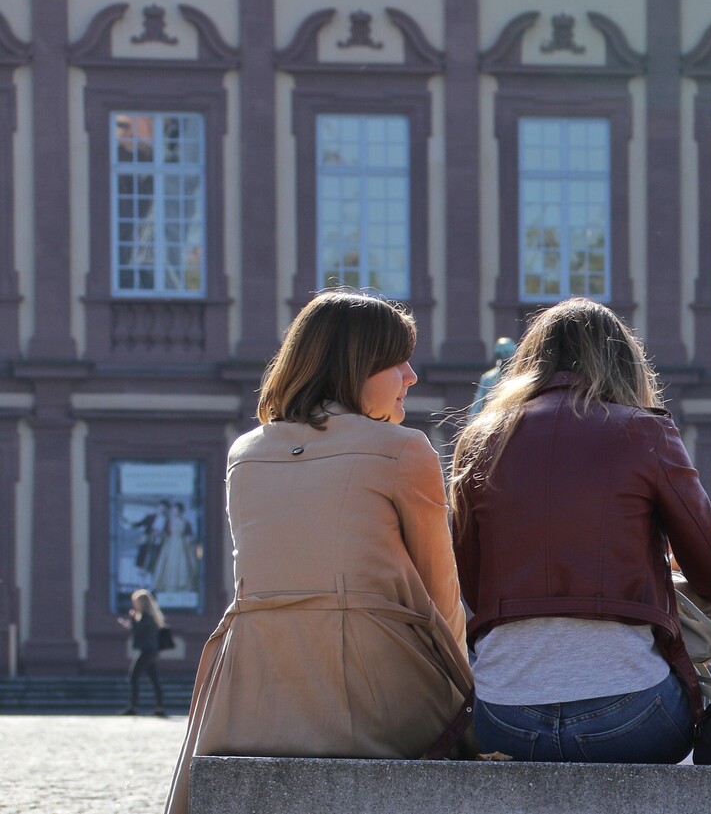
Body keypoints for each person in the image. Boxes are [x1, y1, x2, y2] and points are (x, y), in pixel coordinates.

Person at [166, 290, 472, 814]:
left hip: (253, 693)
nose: (411, 376)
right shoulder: (404, 449)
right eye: (397, 360)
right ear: (357, 365)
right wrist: (466, 696)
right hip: (378, 688)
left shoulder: (247, 451)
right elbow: (441, 596)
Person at [450, 298, 711, 764]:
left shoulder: (482, 439)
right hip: (631, 712)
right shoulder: (644, 432)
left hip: (504, 715)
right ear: (624, 364)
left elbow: (470, 584)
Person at [117, 589, 166, 717]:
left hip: (147, 651)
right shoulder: (148, 617)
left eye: (136, 602)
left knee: (133, 677)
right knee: (154, 679)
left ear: (142, 603)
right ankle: (159, 707)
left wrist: (132, 619)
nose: (134, 605)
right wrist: (132, 622)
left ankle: (133, 706)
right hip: (150, 650)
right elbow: (139, 630)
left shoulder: (146, 616)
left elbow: (137, 630)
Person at [149, 501, 197, 596]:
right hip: (170, 545)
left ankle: (182, 585)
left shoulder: (185, 522)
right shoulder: (168, 522)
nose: (174, 511)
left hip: (182, 545)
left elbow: (189, 534)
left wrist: (189, 541)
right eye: (173, 510)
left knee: (182, 564)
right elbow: (164, 533)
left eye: (176, 510)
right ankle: (169, 586)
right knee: (169, 564)